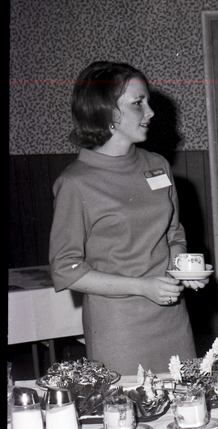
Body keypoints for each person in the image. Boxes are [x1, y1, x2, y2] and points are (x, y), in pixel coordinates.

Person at [50, 61, 203, 375]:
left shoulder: (157, 165)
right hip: (119, 327)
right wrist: (142, 287)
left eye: (148, 102)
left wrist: (182, 270)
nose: (151, 112)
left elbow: (173, 234)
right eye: (138, 103)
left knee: (185, 398)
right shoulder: (76, 183)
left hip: (172, 315)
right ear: (108, 112)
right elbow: (66, 269)